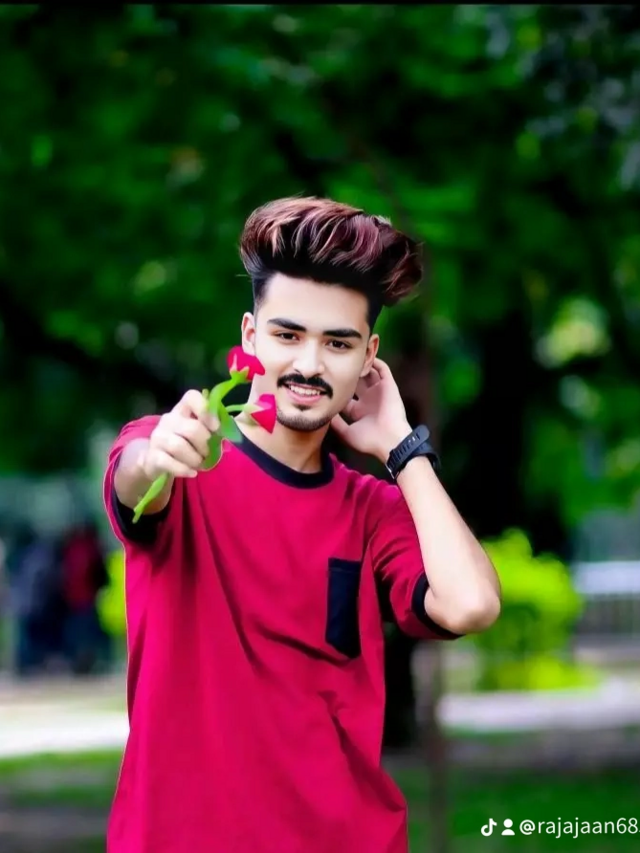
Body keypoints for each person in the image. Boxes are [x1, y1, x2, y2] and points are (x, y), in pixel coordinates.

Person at [104, 197, 501, 853]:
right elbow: (135, 477)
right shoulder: (179, 463)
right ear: (250, 335)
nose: (310, 364)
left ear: (369, 357)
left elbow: (471, 604)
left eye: (338, 343)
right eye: (287, 335)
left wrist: (402, 447)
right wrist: (158, 456)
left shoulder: (373, 512)